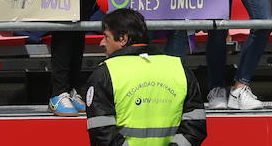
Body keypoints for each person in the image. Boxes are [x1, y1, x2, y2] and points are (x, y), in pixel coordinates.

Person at [84, 8, 207, 144]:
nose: (101, 43)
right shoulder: (179, 68)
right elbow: (195, 127)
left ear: (123, 39)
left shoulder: (104, 73)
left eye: (106, 36)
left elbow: (101, 132)